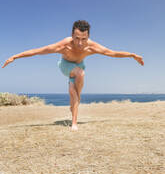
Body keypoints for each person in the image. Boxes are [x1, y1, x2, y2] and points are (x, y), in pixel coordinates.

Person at [2, 20, 144, 130]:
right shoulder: (63, 45)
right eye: (77, 38)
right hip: (65, 66)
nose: (80, 43)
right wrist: (15, 57)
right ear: (72, 35)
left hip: (79, 66)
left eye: (84, 39)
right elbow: (39, 50)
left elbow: (112, 53)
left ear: (88, 36)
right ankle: (74, 123)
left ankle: (74, 100)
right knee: (80, 76)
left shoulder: (92, 46)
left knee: (73, 90)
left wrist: (132, 55)